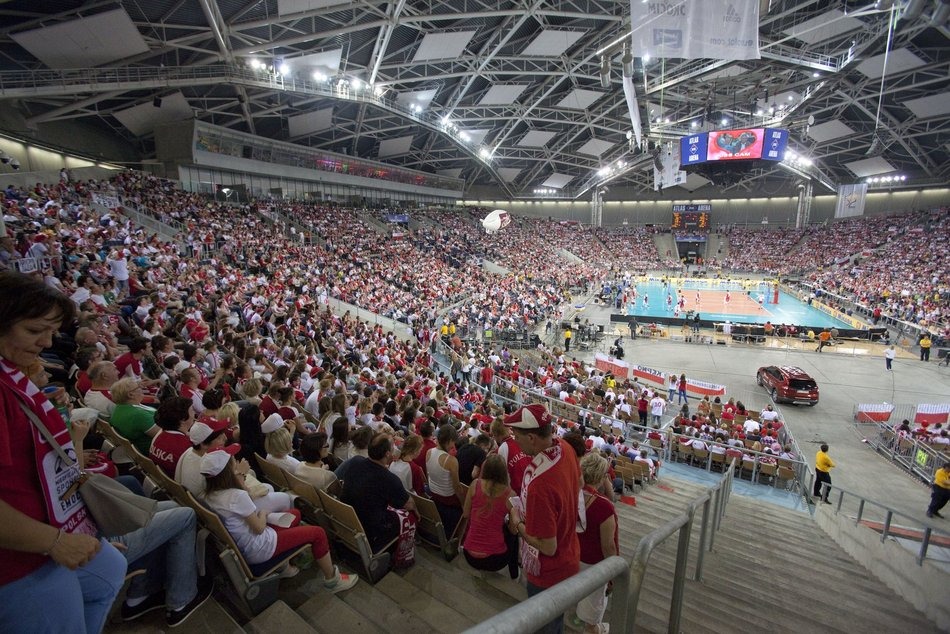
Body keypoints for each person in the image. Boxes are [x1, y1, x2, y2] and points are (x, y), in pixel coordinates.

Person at [0, 271, 127, 633]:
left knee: (112, 570)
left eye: (51, 331)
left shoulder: (12, 369)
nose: (46, 342)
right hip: (22, 560)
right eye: (33, 330)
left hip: (54, 526)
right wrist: (55, 543)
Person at [201, 452, 358, 589]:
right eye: (232, 462)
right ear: (227, 472)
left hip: (250, 542)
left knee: (294, 513)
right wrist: (263, 514)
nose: (235, 463)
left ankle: (285, 563)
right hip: (260, 547)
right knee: (318, 533)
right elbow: (259, 528)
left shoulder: (209, 495)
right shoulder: (236, 496)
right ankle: (333, 580)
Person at [505, 404, 581, 634]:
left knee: (545, 625)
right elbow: (579, 484)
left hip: (548, 572)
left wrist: (517, 524)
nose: (514, 440)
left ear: (531, 437)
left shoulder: (540, 486)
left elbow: (548, 547)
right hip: (569, 555)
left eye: (516, 435)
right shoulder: (565, 447)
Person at [340, 433, 417, 552]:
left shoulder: (355, 461)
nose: (395, 450)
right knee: (409, 516)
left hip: (347, 517)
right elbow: (408, 505)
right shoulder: (389, 479)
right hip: (371, 528)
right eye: (393, 448)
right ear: (387, 454)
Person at [573, 453, 618, 634]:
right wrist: (613, 574)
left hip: (572, 556)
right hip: (593, 565)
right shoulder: (604, 506)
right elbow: (609, 546)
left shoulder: (570, 494)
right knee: (591, 615)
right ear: (601, 477)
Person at [458, 454, 519, 579]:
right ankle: (514, 573)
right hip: (495, 559)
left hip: (469, 554)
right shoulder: (510, 494)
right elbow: (514, 529)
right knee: (514, 537)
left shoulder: (475, 484)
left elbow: (465, 513)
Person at [427, 424, 467, 538]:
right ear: (449, 441)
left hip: (433, 492)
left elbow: (429, 474)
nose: (454, 445)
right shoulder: (451, 460)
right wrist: (463, 504)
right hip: (447, 497)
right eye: (453, 442)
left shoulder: (429, 452)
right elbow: (456, 487)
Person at [110, 377, 159, 456]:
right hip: (154, 451)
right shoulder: (138, 415)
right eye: (138, 387)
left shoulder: (120, 408)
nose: (142, 388)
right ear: (130, 394)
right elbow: (162, 435)